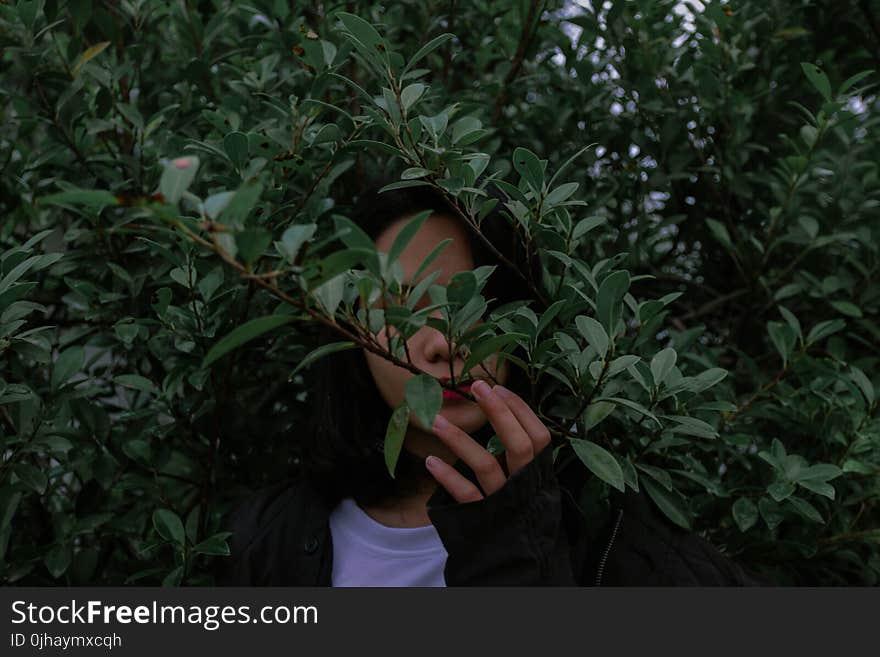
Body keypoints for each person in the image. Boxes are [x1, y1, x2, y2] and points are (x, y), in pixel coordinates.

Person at [217, 182, 767, 587]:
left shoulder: (608, 525)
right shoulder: (268, 541)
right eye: (399, 307)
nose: (444, 343)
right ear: (348, 335)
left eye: (473, 299)